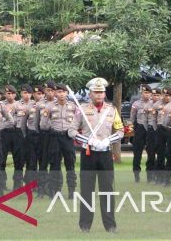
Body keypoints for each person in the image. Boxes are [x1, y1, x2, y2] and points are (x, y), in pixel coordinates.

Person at [69, 77, 124, 233]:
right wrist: (88, 140)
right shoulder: (81, 110)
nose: (99, 95)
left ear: (105, 93)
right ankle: (85, 226)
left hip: (105, 154)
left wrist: (108, 140)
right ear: (90, 93)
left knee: (107, 190)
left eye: (101, 92)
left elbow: (120, 131)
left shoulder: (112, 110)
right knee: (87, 190)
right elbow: (71, 131)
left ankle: (110, 226)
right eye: (96, 92)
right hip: (89, 154)